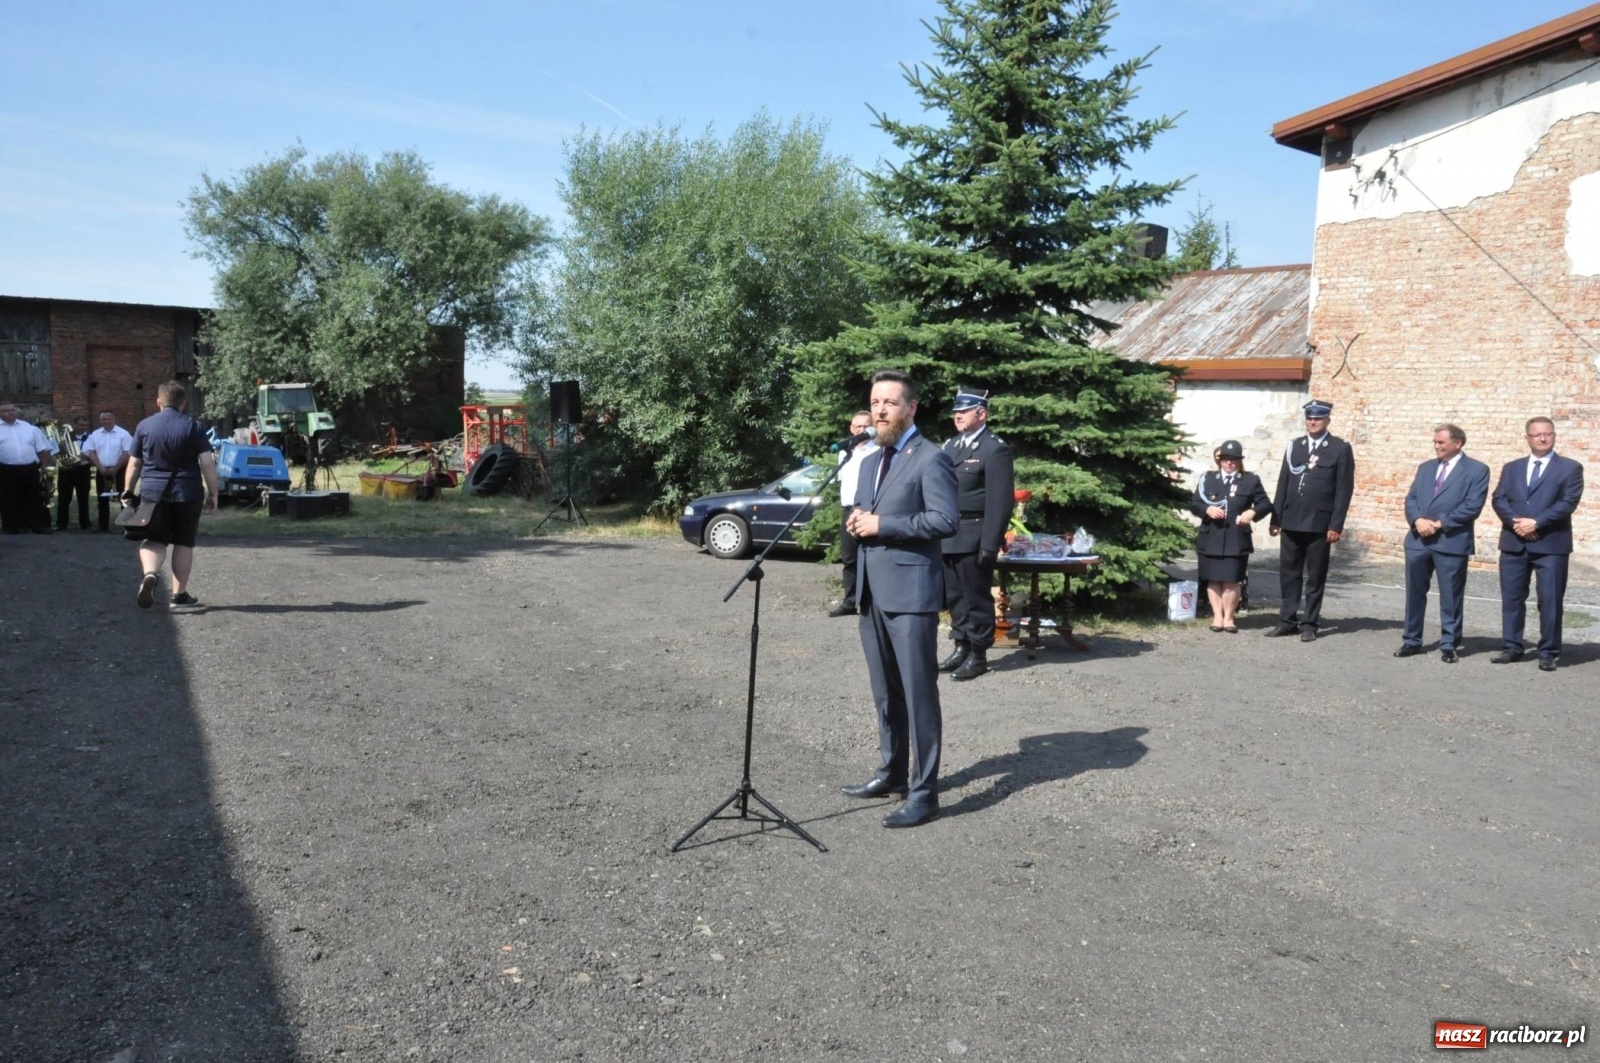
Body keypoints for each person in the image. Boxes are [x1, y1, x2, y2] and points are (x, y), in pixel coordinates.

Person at [841, 369, 958, 828]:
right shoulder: (870, 461)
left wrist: (882, 525)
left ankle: (924, 794)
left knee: (918, 695)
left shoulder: (931, 458)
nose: (880, 410)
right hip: (872, 591)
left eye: (889, 402)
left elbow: (944, 520)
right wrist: (858, 521)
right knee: (885, 693)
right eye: (875, 402)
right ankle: (891, 772)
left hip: (911, 595)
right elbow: (867, 512)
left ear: (911, 408)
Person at [1490, 417, 1585, 672]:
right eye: (1537, 434)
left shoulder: (1570, 468)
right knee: (1512, 598)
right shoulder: (1512, 468)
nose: (1543, 438)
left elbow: (1568, 502)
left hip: (1551, 545)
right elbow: (1499, 499)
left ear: (1554, 436)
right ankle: (1512, 646)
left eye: (1548, 434)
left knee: (1550, 600)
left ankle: (1548, 652)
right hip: (1514, 543)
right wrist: (1518, 524)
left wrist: (1536, 523)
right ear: (1527, 438)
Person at [1394, 424, 1489, 663]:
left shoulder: (1477, 470)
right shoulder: (1426, 468)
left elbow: (1472, 506)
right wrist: (1417, 520)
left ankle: (1449, 643)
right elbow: (1411, 498)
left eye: (1441, 442)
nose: (1436, 446)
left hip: (1451, 541)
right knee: (1414, 594)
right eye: (1435, 442)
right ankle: (1411, 640)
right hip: (1418, 540)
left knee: (1451, 596)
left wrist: (1439, 524)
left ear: (1457, 443)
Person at [938, 386, 1014, 680]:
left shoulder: (994, 449)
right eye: (956, 411)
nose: (957, 416)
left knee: (976, 597)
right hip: (949, 534)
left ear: (981, 414)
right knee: (956, 596)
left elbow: (1000, 502)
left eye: (964, 411)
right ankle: (961, 646)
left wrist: (990, 544)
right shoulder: (951, 446)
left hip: (974, 535)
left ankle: (979, 654)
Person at [123, 381, 219, 609]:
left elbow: (134, 464)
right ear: (183, 404)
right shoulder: (195, 427)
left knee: (154, 538)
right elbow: (207, 463)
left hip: (152, 493)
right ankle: (179, 594)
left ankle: (150, 573)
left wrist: (128, 491)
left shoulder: (144, 426)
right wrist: (214, 493)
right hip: (188, 492)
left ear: (158, 401)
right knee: (183, 542)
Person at [1267, 399, 1355, 641]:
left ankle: (1309, 624)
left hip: (1319, 523)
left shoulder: (1339, 448)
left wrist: (1336, 524)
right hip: (1291, 520)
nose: (1313, 422)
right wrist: (1276, 518)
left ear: (1327, 420)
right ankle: (1287, 621)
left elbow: (1343, 489)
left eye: (1318, 418)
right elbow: (1283, 482)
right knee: (1289, 574)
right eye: (1309, 418)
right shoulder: (1295, 446)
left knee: (1315, 577)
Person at [1190, 440, 1272, 633]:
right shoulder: (1207, 479)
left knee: (1232, 580)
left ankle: (1229, 617)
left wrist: (1252, 512)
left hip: (1236, 539)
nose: (1229, 463)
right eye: (1226, 459)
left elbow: (1265, 504)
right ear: (1220, 460)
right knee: (1213, 580)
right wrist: (1206, 509)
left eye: (1233, 459)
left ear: (1239, 461)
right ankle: (1217, 617)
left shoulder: (1250, 480)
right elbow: (1194, 503)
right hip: (1211, 537)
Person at [829, 410, 878, 617]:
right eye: (857, 426)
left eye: (865, 426)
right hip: (847, 509)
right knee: (849, 558)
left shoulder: (877, 451)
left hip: (868, 511)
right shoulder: (845, 452)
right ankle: (850, 602)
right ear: (851, 428)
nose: (861, 430)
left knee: (870, 558)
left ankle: (870, 603)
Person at [0, 402, 54, 534]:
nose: (11, 412)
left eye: (12, 410)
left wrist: (44, 466)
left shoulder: (30, 428)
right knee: (9, 499)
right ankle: (13, 527)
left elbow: (42, 449)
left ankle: (39, 526)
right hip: (6, 469)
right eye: (6, 411)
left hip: (30, 468)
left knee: (35, 497)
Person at [81, 409, 134, 531]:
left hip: (120, 470)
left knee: (123, 498)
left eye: (108, 419)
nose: (106, 421)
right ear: (100, 421)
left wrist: (116, 468)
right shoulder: (95, 435)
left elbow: (127, 453)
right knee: (102, 498)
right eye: (103, 419)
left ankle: (126, 526)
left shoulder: (123, 434)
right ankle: (103, 525)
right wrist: (100, 467)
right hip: (102, 470)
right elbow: (91, 452)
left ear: (114, 419)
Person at [55, 415, 93, 531]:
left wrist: (85, 456)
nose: (83, 427)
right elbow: (57, 451)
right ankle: (61, 524)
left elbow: (95, 454)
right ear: (75, 424)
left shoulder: (91, 437)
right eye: (80, 425)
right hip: (67, 469)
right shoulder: (65, 437)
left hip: (83, 469)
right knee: (64, 498)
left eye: (85, 425)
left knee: (83, 497)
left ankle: (85, 524)